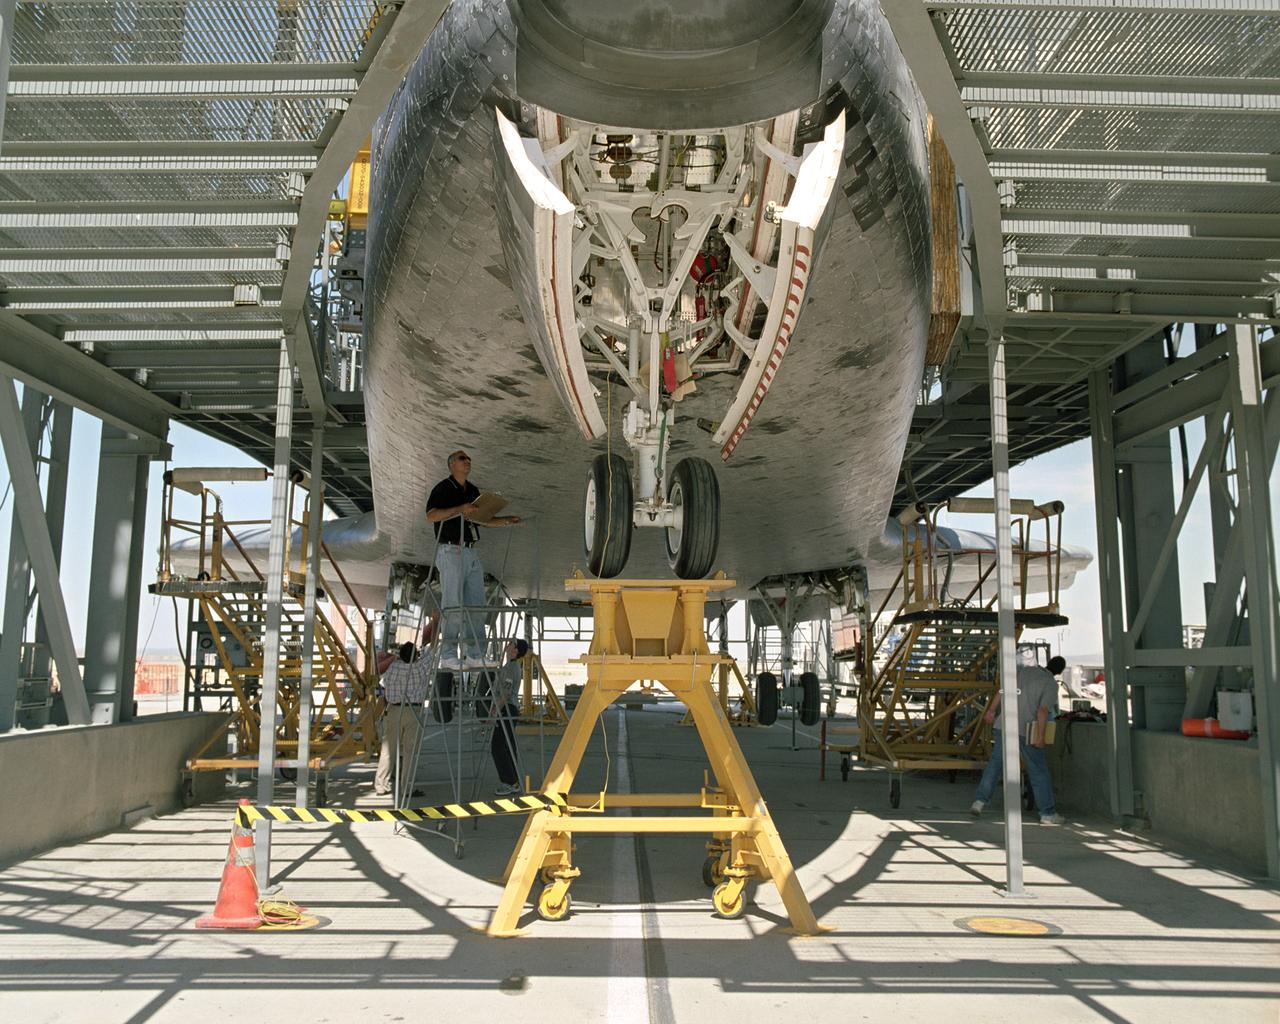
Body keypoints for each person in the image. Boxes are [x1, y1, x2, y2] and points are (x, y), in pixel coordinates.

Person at [425, 450, 521, 671]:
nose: (467, 461)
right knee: (453, 605)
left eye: (468, 459)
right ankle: (448, 654)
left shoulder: (473, 491)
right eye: (462, 458)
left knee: (476, 605)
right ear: (451, 465)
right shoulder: (443, 488)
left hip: (470, 551)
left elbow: (482, 519)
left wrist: (506, 521)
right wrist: (460, 509)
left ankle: (475, 653)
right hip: (450, 550)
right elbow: (431, 515)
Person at [970, 654, 1066, 825]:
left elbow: (1003, 689)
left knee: (996, 764)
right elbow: (1043, 711)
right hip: (1025, 731)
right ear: (1059, 672)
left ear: (1047, 663)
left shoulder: (1025, 672)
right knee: (1038, 771)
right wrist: (1041, 737)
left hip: (1003, 725)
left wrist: (991, 710)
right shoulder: (1050, 684)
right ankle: (1047, 813)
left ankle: (979, 802)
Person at [375, 642, 430, 798]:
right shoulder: (420, 668)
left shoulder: (393, 668)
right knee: (410, 752)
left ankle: (381, 785)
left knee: (388, 749)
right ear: (416, 656)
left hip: (393, 710)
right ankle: (407, 788)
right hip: (413, 711)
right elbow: (431, 652)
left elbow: (383, 683)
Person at [488, 639, 527, 796]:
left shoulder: (511, 668)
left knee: (498, 746)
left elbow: (506, 691)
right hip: (506, 709)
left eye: (512, 643)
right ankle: (513, 780)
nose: (508, 644)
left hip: (507, 709)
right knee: (507, 745)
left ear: (515, 651)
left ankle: (509, 782)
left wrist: (496, 709)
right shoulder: (509, 666)